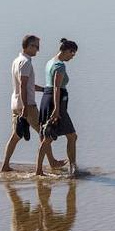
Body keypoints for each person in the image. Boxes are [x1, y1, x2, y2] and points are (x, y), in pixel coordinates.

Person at [3, 35, 66, 173]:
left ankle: (5, 165)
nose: (38, 50)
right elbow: (23, 85)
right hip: (27, 105)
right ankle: (50, 164)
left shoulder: (17, 61)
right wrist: (26, 106)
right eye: (36, 46)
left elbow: (26, 84)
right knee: (44, 133)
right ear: (29, 46)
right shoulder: (26, 62)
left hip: (15, 103)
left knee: (16, 135)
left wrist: (43, 89)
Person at [37, 38, 79, 177]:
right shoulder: (60, 65)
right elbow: (56, 87)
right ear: (67, 50)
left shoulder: (50, 62)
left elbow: (51, 87)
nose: (73, 56)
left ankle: (45, 168)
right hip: (56, 102)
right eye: (72, 53)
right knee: (67, 136)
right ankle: (72, 169)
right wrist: (56, 109)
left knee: (51, 136)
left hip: (47, 99)